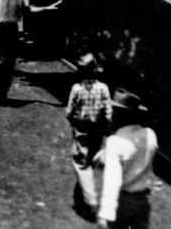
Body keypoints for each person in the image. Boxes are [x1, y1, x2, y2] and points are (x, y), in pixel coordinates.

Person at [0, 0, 60, 105]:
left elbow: (29, 10)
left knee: (9, 64)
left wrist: (47, 8)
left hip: (11, 31)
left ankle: (2, 95)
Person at [97, 89, 158, 229]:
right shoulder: (150, 135)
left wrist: (105, 214)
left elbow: (113, 180)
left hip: (122, 202)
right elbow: (137, 156)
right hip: (142, 202)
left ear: (122, 114)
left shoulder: (115, 142)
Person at [66, 53, 112, 220]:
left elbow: (69, 111)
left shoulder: (77, 89)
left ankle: (90, 202)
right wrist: (106, 127)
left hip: (82, 130)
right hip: (97, 131)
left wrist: (74, 123)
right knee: (89, 161)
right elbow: (108, 112)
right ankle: (81, 198)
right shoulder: (104, 88)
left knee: (81, 165)